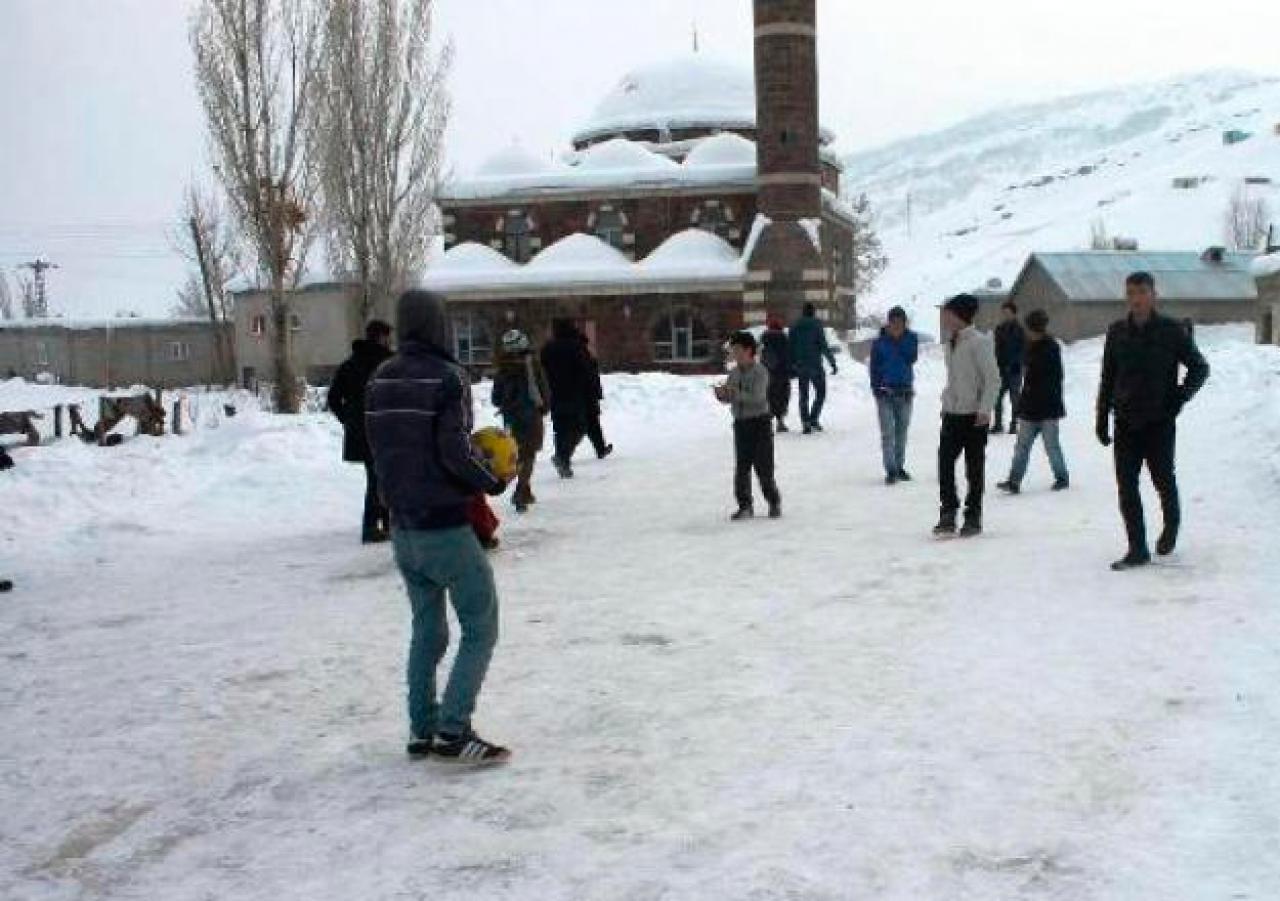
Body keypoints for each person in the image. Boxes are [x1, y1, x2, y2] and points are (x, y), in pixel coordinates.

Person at [365, 290, 511, 765]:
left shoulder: (379, 379)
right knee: (480, 625)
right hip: (444, 526)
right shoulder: (448, 378)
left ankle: (421, 729)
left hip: (403, 530)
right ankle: (453, 729)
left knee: (427, 629)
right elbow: (454, 450)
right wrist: (491, 479)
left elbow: (380, 454)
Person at [1096, 272, 1209, 571]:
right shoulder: (1117, 331)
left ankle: (1171, 526)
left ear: (1153, 294)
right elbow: (1108, 377)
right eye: (1131, 292)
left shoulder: (1171, 330)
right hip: (1125, 421)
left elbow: (1199, 368)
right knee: (1127, 486)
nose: (1136, 299)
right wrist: (1101, 418)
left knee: (1163, 479)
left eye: (1142, 292)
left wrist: (1179, 398)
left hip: (1159, 421)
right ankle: (1137, 548)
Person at [934, 294, 1000, 538]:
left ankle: (973, 516)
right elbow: (954, 379)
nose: (944, 317)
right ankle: (948, 512)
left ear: (959, 315)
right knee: (945, 464)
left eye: (948, 313)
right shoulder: (951, 342)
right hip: (952, 413)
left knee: (974, 468)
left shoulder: (979, 342)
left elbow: (993, 379)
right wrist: (947, 401)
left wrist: (985, 409)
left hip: (974, 416)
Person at [327, 319, 394, 543]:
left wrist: (349, 420)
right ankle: (375, 526)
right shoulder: (390, 363)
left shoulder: (350, 364)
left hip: (361, 432)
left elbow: (333, 399)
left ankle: (382, 523)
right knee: (384, 478)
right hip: (386, 429)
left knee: (376, 477)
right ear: (383, 337)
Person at [997, 309, 1070, 494]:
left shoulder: (1051, 347)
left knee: (1051, 446)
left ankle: (1061, 477)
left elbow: (1055, 376)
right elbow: (1022, 363)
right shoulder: (1027, 345)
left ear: (1036, 328)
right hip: (1029, 405)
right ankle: (1014, 481)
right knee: (1022, 446)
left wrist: (1033, 374)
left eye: (1029, 328)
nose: (1027, 332)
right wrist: (1015, 366)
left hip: (1048, 407)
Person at [714, 331, 782, 521]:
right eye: (732, 350)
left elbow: (757, 397)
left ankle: (773, 501)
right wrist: (722, 395)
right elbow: (731, 396)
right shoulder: (734, 373)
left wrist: (734, 393)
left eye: (737, 350)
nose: (734, 354)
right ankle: (745, 505)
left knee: (763, 468)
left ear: (748, 350)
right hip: (741, 424)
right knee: (742, 467)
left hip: (760, 423)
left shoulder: (761, 372)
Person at [491, 329, 550, 513]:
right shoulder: (531, 363)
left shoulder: (503, 367)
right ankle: (520, 492)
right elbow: (543, 386)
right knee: (529, 454)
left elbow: (496, 398)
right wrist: (545, 405)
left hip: (510, 417)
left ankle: (526, 489)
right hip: (530, 414)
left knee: (518, 454)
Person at [869, 306, 919, 485]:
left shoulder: (911, 339)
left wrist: (899, 340)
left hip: (905, 392)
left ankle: (899, 466)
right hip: (885, 393)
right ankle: (890, 469)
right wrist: (875, 389)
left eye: (900, 322)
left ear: (905, 323)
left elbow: (911, 358)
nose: (897, 325)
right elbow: (873, 368)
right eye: (893, 322)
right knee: (888, 433)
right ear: (888, 323)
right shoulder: (879, 343)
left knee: (901, 432)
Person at [540, 319, 593, 478]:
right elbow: (586, 370)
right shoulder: (576, 347)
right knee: (579, 426)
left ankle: (562, 458)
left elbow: (542, 370)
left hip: (554, 393)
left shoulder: (547, 348)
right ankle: (563, 457)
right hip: (574, 393)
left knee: (560, 428)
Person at [788, 303, 838, 434]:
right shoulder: (817, 325)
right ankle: (813, 418)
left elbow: (790, 347)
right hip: (815, 365)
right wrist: (832, 363)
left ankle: (805, 422)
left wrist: (792, 364)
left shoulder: (794, 326)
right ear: (813, 312)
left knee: (803, 395)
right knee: (821, 392)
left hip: (800, 365)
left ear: (803, 312)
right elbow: (823, 345)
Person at [991, 301, 1026, 435]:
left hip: (1015, 370)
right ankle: (998, 424)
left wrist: (1016, 364)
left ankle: (1014, 424)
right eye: (1003, 313)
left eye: (1008, 313)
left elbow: (1023, 350)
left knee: (1014, 398)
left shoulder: (1020, 330)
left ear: (1014, 313)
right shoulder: (999, 329)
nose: (1005, 315)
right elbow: (996, 349)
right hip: (1001, 369)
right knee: (997, 397)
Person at [580, 331, 614, 460]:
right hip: (585, 396)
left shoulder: (585, 356)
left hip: (586, 396)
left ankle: (600, 449)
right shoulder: (583, 357)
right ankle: (562, 455)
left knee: (592, 424)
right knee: (587, 425)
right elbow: (591, 378)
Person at [760, 317, 793, 433]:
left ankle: (767, 424)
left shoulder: (763, 339)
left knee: (769, 396)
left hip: (767, 372)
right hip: (782, 372)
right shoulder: (784, 339)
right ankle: (780, 422)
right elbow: (788, 356)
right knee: (782, 396)